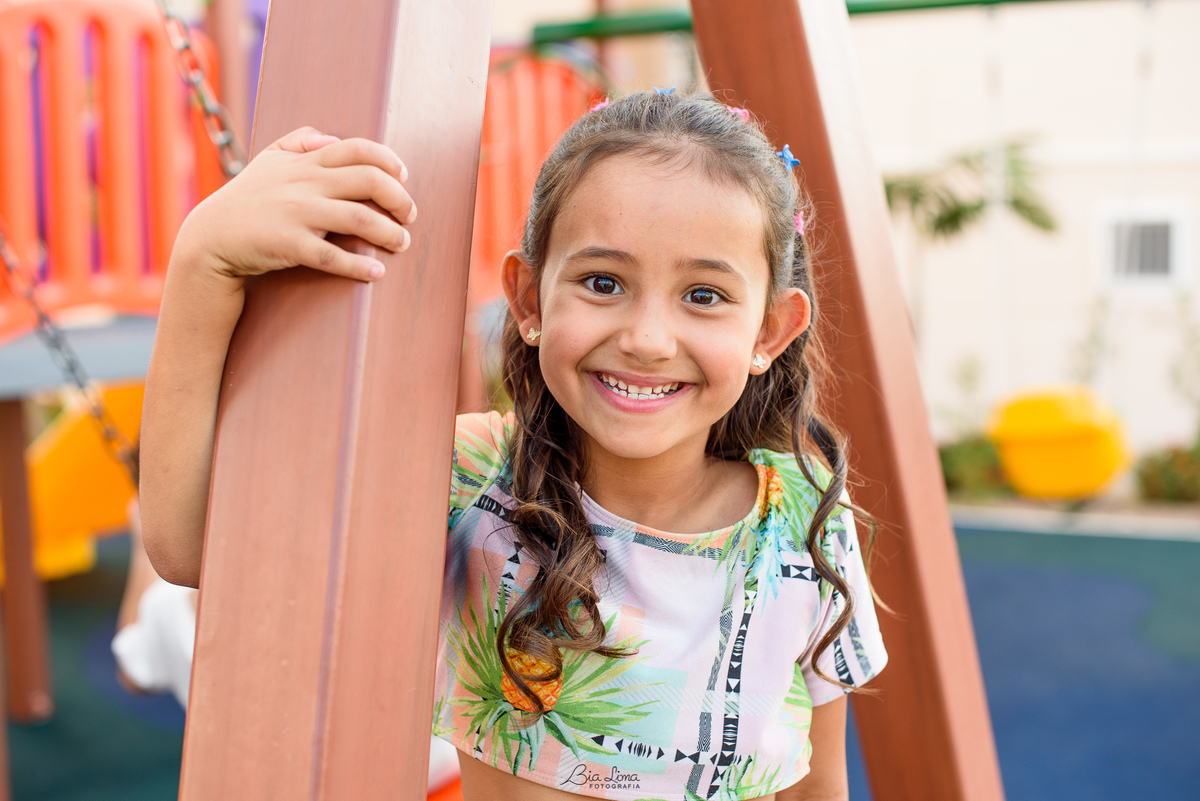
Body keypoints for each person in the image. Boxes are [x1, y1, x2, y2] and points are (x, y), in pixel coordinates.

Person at [140, 91, 887, 801]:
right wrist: (203, 265)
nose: (647, 339)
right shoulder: (476, 479)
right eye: (602, 281)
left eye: (703, 295)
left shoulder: (803, 514)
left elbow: (817, 783)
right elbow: (196, 545)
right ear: (528, 299)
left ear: (769, 331)